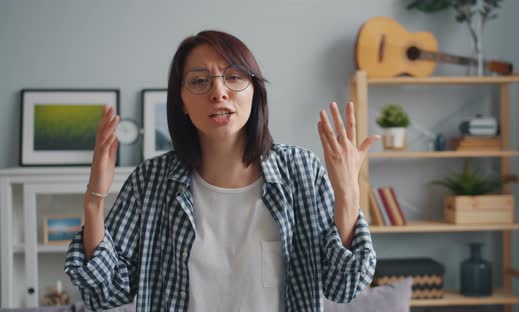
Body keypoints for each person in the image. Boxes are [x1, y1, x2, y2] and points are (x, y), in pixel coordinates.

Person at [64, 30, 379, 312]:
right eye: (200, 81)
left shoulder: (301, 171)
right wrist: (94, 199)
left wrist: (348, 193)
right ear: (182, 102)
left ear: (254, 90)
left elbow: (345, 287)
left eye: (234, 77)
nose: (219, 92)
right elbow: (103, 294)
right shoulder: (151, 181)